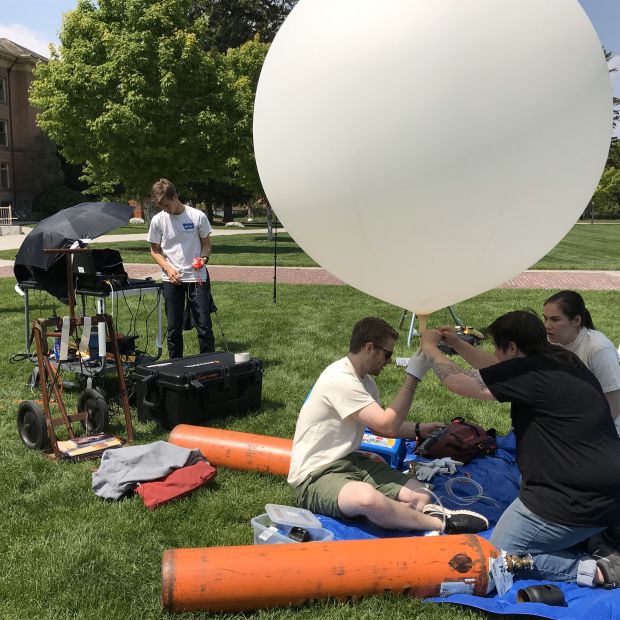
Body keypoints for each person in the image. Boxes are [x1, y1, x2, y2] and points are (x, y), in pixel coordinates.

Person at [420, 310, 620, 588]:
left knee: (497, 557)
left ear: (512, 347)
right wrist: (456, 344)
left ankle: (597, 570)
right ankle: (595, 536)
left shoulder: (530, 373)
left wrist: (430, 349)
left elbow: (460, 382)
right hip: (605, 490)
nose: (496, 355)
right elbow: (495, 367)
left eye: (499, 347)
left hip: (574, 498)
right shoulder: (559, 360)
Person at [287, 316, 489, 535]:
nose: (389, 361)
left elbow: (377, 426)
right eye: (387, 354)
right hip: (315, 476)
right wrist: (413, 377)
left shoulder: (365, 381)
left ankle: (396, 515)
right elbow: (387, 426)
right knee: (367, 499)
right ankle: (442, 525)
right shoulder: (339, 379)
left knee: (421, 494)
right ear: (370, 348)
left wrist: (421, 429)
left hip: (350, 461)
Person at [148, 178, 215, 358]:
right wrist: (168, 269)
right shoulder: (158, 220)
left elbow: (206, 245)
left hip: (197, 277)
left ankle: (209, 364)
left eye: (167, 205)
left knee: (204, 325)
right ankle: (175, 365)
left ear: (175, 196)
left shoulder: (197, 216)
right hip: (172, 279)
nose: (165, 209)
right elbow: (154, 251)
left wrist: (203, 259)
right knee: (173, 327)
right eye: (161, 206)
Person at [543, 290, 620, 434]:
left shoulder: (599, 348)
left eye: (555, 319)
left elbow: (614, 403)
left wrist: (589, 435)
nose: (547, 325)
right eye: (545, 318)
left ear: (576, 321)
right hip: (569, 421)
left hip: (605, 430)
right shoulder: (550, 342)